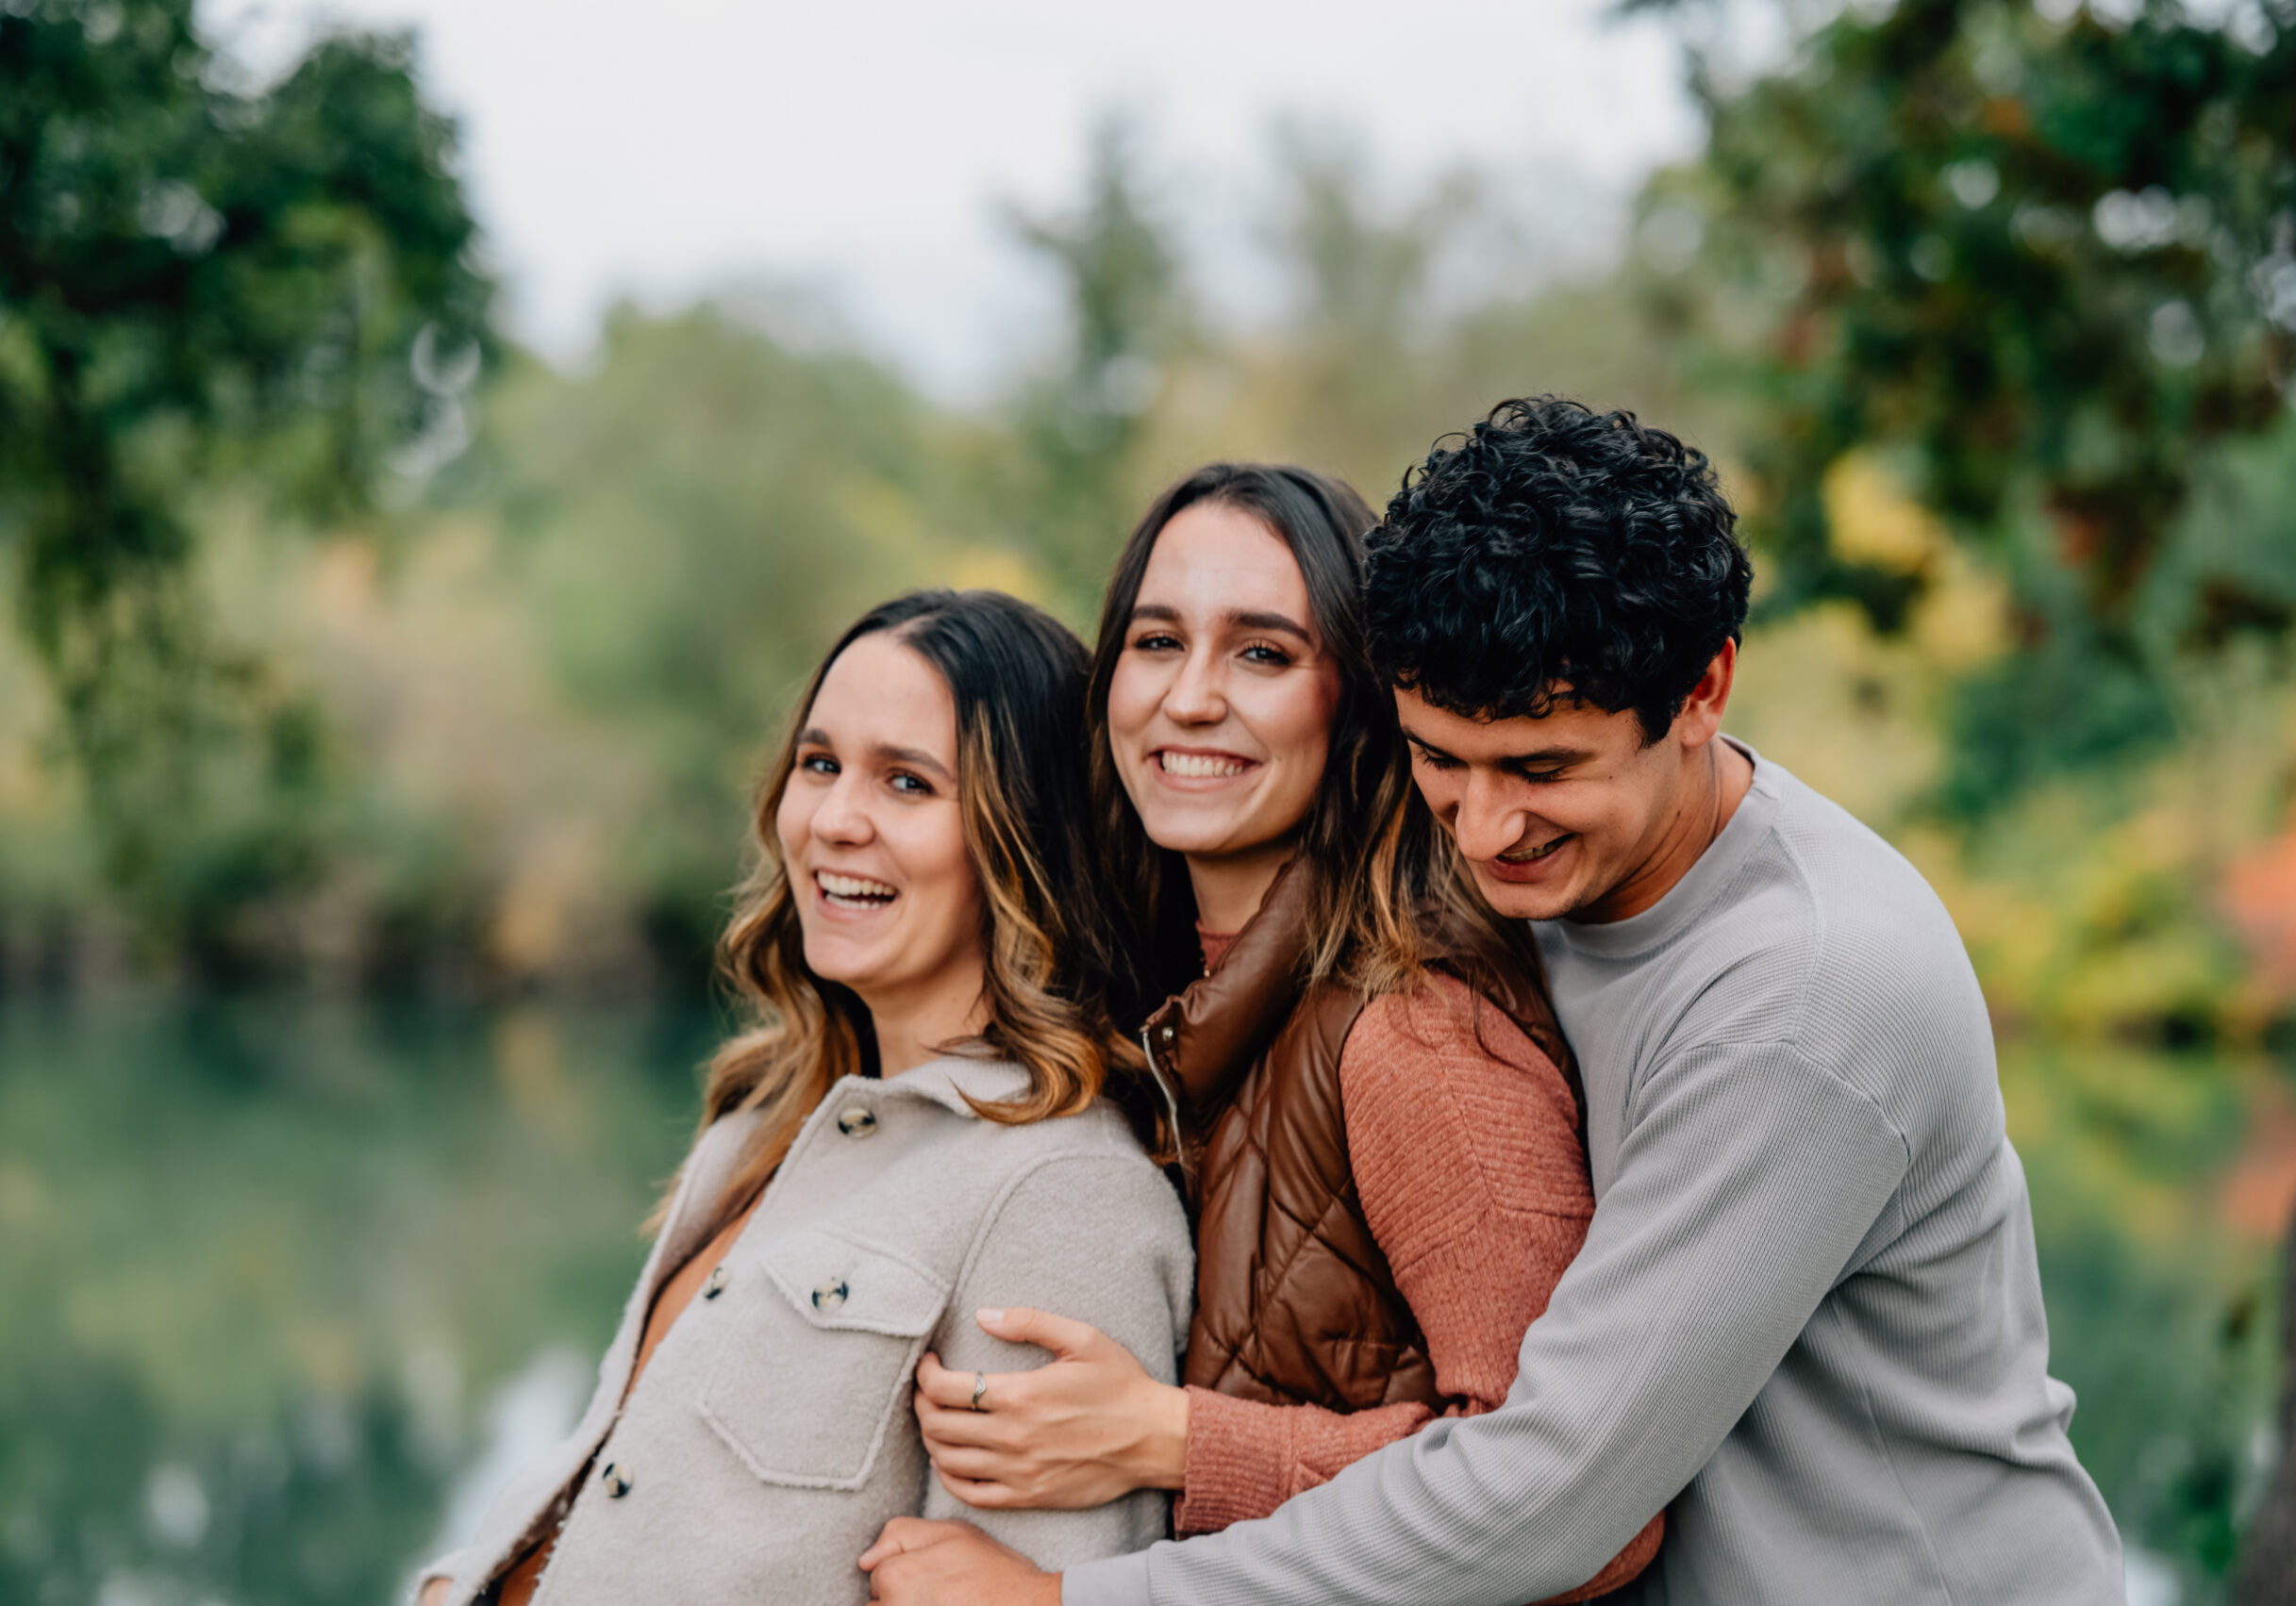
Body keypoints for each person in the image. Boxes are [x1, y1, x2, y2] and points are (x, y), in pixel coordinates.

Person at [859, 403, 2124, 1605]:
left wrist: (1084, 1588)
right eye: (1439, 761)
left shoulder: (1805, 998)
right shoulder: (1499, 882)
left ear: (1702, 691)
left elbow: (1554, 1490)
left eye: (1543, 769)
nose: (1486, 824)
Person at [895, 464, 1659, 1598]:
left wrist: (1170, 1439)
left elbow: (1584, 1514)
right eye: (1156, 641)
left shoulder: (1416, 1030)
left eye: (1261, 652)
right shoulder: (1164, 1000)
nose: (1191, 697)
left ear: (1358, 700)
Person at [414, 590, 1191, 1606]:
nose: (832, 819)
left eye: (906, 782)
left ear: (1022, 838)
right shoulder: (759, 1119)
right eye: (818, 764)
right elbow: (626, 1475)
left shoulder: (1059, 1189)